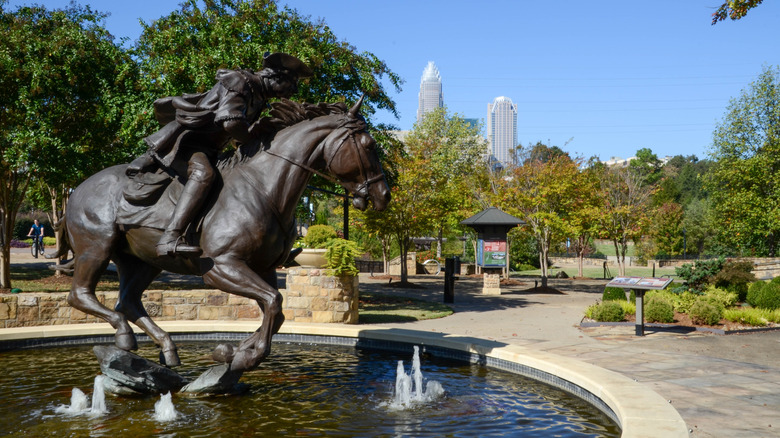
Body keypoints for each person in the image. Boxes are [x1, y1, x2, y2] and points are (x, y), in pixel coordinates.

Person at [126, 53, 313, 257]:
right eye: (292, 83)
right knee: (203, 174)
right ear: (276, 77)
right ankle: (170, 237)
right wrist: (253, 138)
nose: (293, 90)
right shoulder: (240, 82)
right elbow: (230, 121)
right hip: (190, 144)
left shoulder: (258, 96)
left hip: (213, 149)